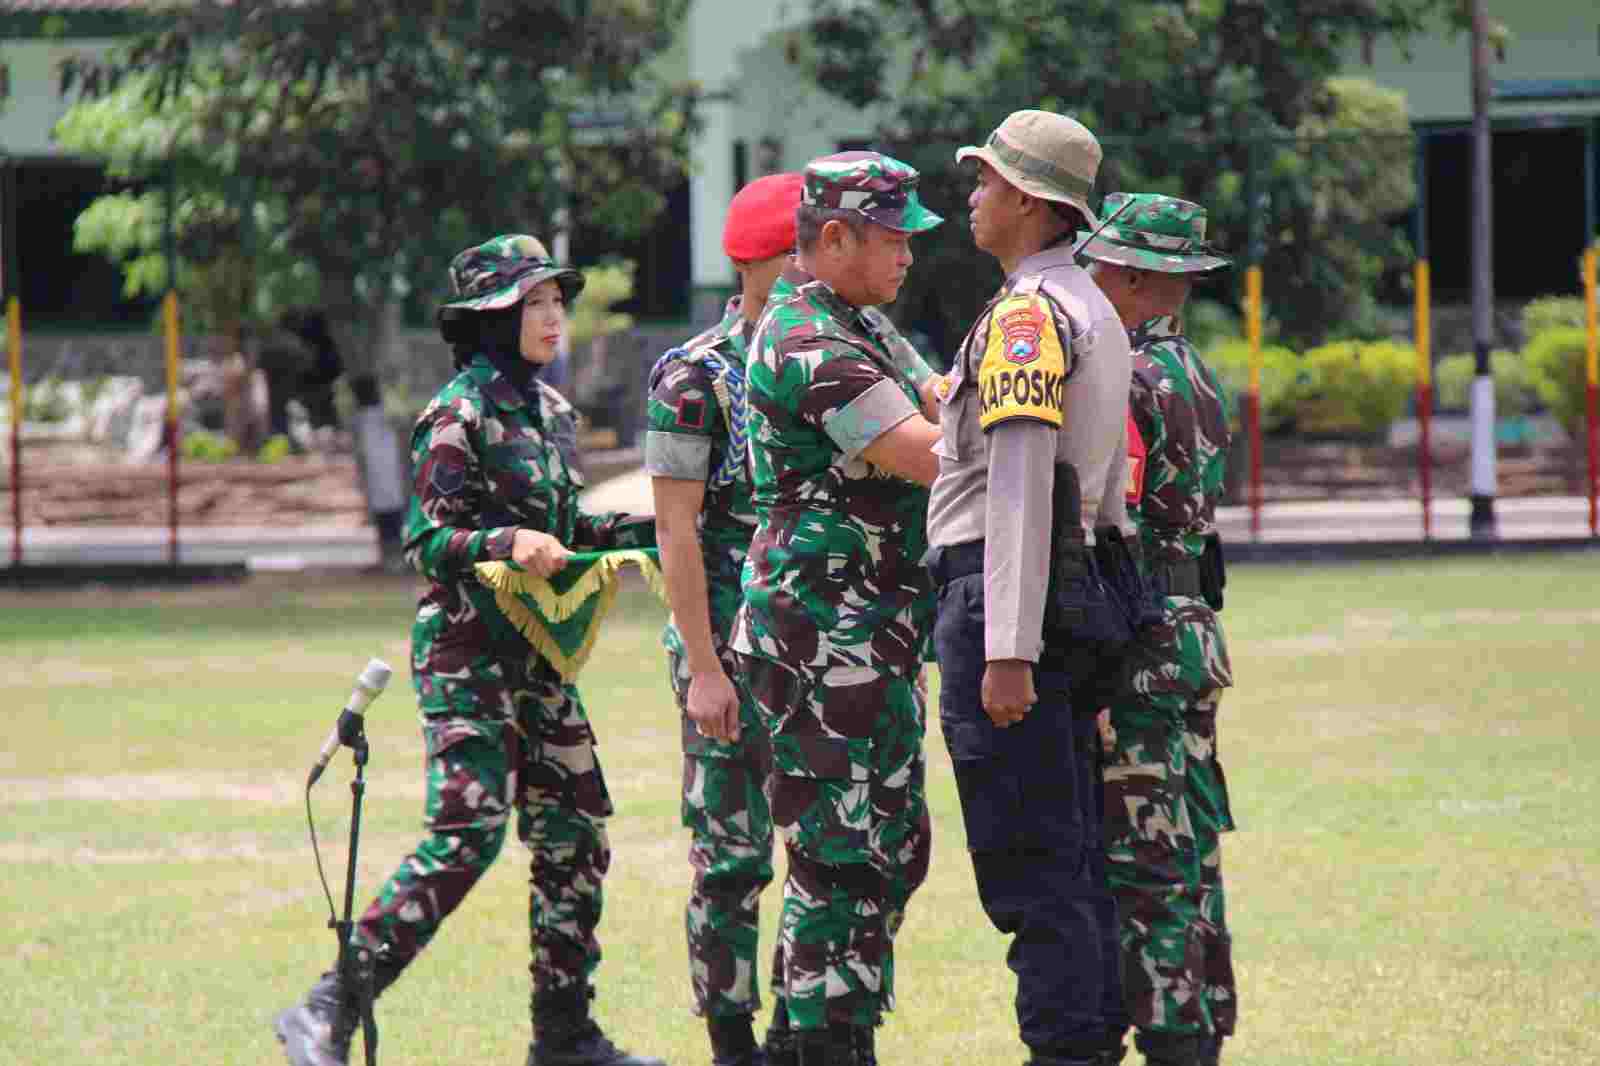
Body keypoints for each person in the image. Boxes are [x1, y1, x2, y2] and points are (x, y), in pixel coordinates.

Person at [272, 234, 664, 1066]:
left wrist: (650, 531)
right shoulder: (457, 415)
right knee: (469, 831)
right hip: (465, 651)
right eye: (535, 304)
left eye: (557, 300)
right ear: (492, 318)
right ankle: (328, 1005)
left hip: (540, 653)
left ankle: (563, 1037)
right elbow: (429, 543)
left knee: (574, 831)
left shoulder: (553, 415)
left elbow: (570, 529)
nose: (554, 316)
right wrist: (508, 538)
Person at [924, 109, 1134, 1066]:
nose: (973, 196)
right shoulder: (1088, 305)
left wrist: (1007, 650)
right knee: (1071, 849)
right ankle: (1088, 1039)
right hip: (1074, 591)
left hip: (1009, 600)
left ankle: (1068, 1051)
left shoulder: (1025, 317)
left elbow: (1017, 489)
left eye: (985, 182)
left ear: (1029, 203)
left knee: (1029, 863)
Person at [728, 150, 945, 1066]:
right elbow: (927, 452)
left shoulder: (862, 324)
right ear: (833, 237)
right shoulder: (808, 341)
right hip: (823, 641)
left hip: (868, 636)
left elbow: (936, 395)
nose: (908, 254)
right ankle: (819, 1044)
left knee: (888, 850)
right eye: (893, 236)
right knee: (839, 859)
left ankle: (819, 1032)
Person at [644, 171, 805, 1066]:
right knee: (732, 853)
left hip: (814, 646)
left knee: (822, 850)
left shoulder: (835, 354)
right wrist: (704, 667)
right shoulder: (693, 376)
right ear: (763, 262)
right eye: (803, 253)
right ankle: (732, 1039)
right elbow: (674, 528)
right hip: (727, 648)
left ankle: (798, 1027)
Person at [1081, 194, 1237, 1066]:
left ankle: (1176, 1038)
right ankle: (1203, 1026)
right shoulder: (1197, 375)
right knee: (1191, 843)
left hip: (1137, 640)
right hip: (1192, 631)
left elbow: (1116, 531)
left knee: (1147, 862)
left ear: (1137, 277)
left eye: (1101, 267)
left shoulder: (1130, 380)